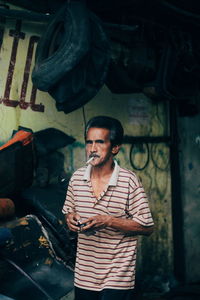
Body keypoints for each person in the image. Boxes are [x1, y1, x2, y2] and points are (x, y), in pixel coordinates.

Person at [62, 116, 154, 300]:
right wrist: (70, 218)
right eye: (89, 142)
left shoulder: (129, 181)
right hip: (84, 274)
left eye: (99, 142)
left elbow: (147, 227)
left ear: (115, 148)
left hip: (118, 275)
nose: (92, 149)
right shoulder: (77, 178)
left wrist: (109, 220)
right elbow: (68, 212)